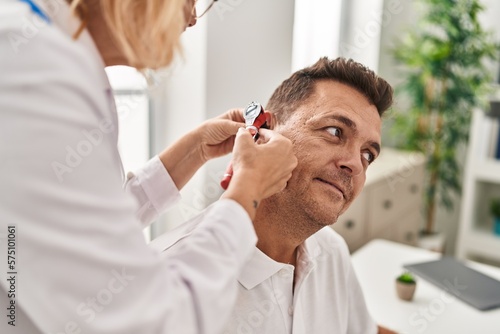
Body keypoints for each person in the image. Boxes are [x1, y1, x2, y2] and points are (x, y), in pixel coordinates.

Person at [0, 0, 297, 333]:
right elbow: (151, 321)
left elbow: (76, 224)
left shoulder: (53, 60)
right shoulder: (34, 74)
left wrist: (194, 150)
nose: (194, 19)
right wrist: (248, 191)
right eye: (191, 1)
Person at [152, 57, 398, 333]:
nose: (354, 164)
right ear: (264, 130)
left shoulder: (332, 252)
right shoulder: (167, 285)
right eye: (334, 131)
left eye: (368, 155)